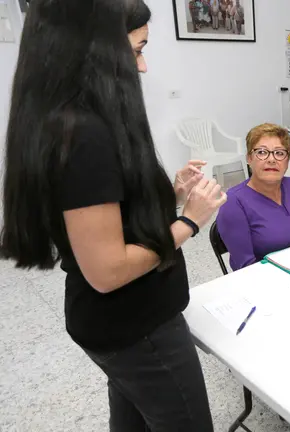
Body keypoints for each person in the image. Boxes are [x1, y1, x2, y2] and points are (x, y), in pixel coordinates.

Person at [0, 1, 222, 430]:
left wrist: (168, 194)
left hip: (111, 327)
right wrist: (189, 222)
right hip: (137, 328)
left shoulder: (66, 123)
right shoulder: (85, 137)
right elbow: (108, 270)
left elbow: (104, 213)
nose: (142, 66)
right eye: (137, 50)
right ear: (97, 51)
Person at [216, 124, 290, 271]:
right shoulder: (233, 203)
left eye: (279, 153)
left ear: (288, 161)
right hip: (269, 284)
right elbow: (245, 268)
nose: (271, 159)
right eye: (262, 152)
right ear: (249, 158)